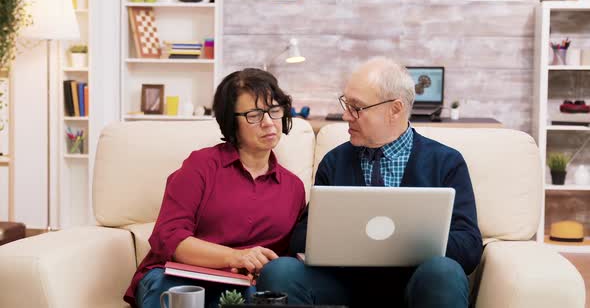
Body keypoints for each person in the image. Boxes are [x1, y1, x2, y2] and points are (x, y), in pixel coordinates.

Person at [256, 57, 483, 308]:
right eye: (346, 104)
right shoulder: (334, 162)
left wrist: (408, 242)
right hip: (341, 284)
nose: (345, 115)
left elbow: (470, 247)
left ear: (395, 109)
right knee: (280, 271)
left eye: (357, 107)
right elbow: (301, 238)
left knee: (443, 271)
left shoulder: (446, 162)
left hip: (417, 284)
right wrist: (339, 237)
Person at [124, 68, 307, 308]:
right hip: (177, 277)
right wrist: (236, 256)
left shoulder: (293, 188)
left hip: (243, 289)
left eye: (274, 111)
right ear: (232, 122)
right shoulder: (201, 166)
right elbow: (170, 238)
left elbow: (284, 260)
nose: (268, 122)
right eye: (254, 114)